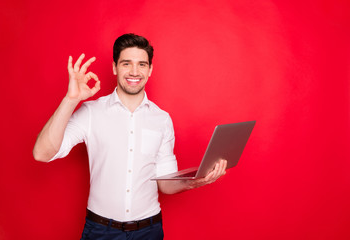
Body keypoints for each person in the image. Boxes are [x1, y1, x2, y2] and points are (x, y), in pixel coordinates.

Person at [33, 33, 227, 240]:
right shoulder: (91, 112)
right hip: (100, 231)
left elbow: (165, 183)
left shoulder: (162, 119)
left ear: (150, 70)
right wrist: (70, 100)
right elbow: (42, 153)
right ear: (114, 67)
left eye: (142, 64)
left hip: (149, 230)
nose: (135, 71)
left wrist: (194, 181)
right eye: (126, 63)